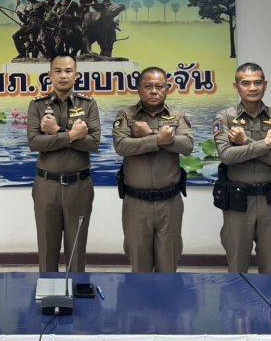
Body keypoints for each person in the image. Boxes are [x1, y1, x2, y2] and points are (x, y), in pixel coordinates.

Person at [213, 62, 271, 274]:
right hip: (237, 202)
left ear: (265, 85)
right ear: (236, 86)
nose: (252, 88)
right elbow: (227, 156)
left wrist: (246, 142)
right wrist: (267, 144)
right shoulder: (225, 117)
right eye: (246, 83)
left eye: (258, 83)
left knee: (270, 268)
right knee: (237, 267)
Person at [113, 67, 193, 272]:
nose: (154, 91)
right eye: (148, 86)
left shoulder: (177, 115)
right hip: (136, 204)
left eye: (159, 86)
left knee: (168, 266)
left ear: (167, 89)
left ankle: (166, 295)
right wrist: (159, 139)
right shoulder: (126, 115)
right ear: (139, 89)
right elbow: (121, 146)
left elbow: (187, 145)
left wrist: (149, 135)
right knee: (139, 266)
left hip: (170, 203)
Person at [27, 53, 100, 272]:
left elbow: (93, 143)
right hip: (46, 187)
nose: (63, 76)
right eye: (58, 71)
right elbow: (34, 142)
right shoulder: (37, 105)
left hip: (79, 187)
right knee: (47, 250)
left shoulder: (88, 104)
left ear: (76, 75)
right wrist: (72, 135)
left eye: (68, 71)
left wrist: (57, 131)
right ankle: (48, 290)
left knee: (76, 253)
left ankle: (75, 291)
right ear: (50, 75)